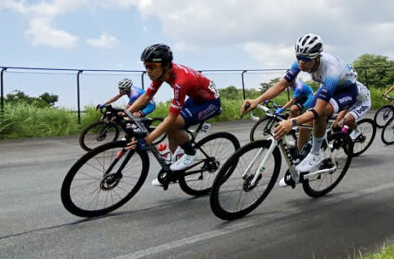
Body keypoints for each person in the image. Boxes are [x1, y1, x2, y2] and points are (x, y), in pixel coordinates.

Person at [241, 33, 371, 175]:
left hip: (346, 91)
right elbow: (281, 84)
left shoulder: (331, 70)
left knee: (318, 115)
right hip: (328, 87)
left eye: (305, 59)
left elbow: (318, 111)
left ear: (317, 57)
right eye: (298, 58)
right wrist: (256, 100)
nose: (301, 62)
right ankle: (300, 155)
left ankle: (316, 153)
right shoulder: (301, 61)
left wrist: (291, 122)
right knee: (306, 119)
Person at [125, 44, 221, 173]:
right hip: (196, 99)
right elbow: (147, 96)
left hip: (210, 102)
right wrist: (125, 113)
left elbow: (171, 118)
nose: (148, 71)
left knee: (172, 124)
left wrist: (147, 140)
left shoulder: (181, 81)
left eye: (151, 67)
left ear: (165, 65)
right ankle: (172, 167)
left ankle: (190, 153)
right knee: (170, 128)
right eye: (146, 66)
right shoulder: (163, 73)